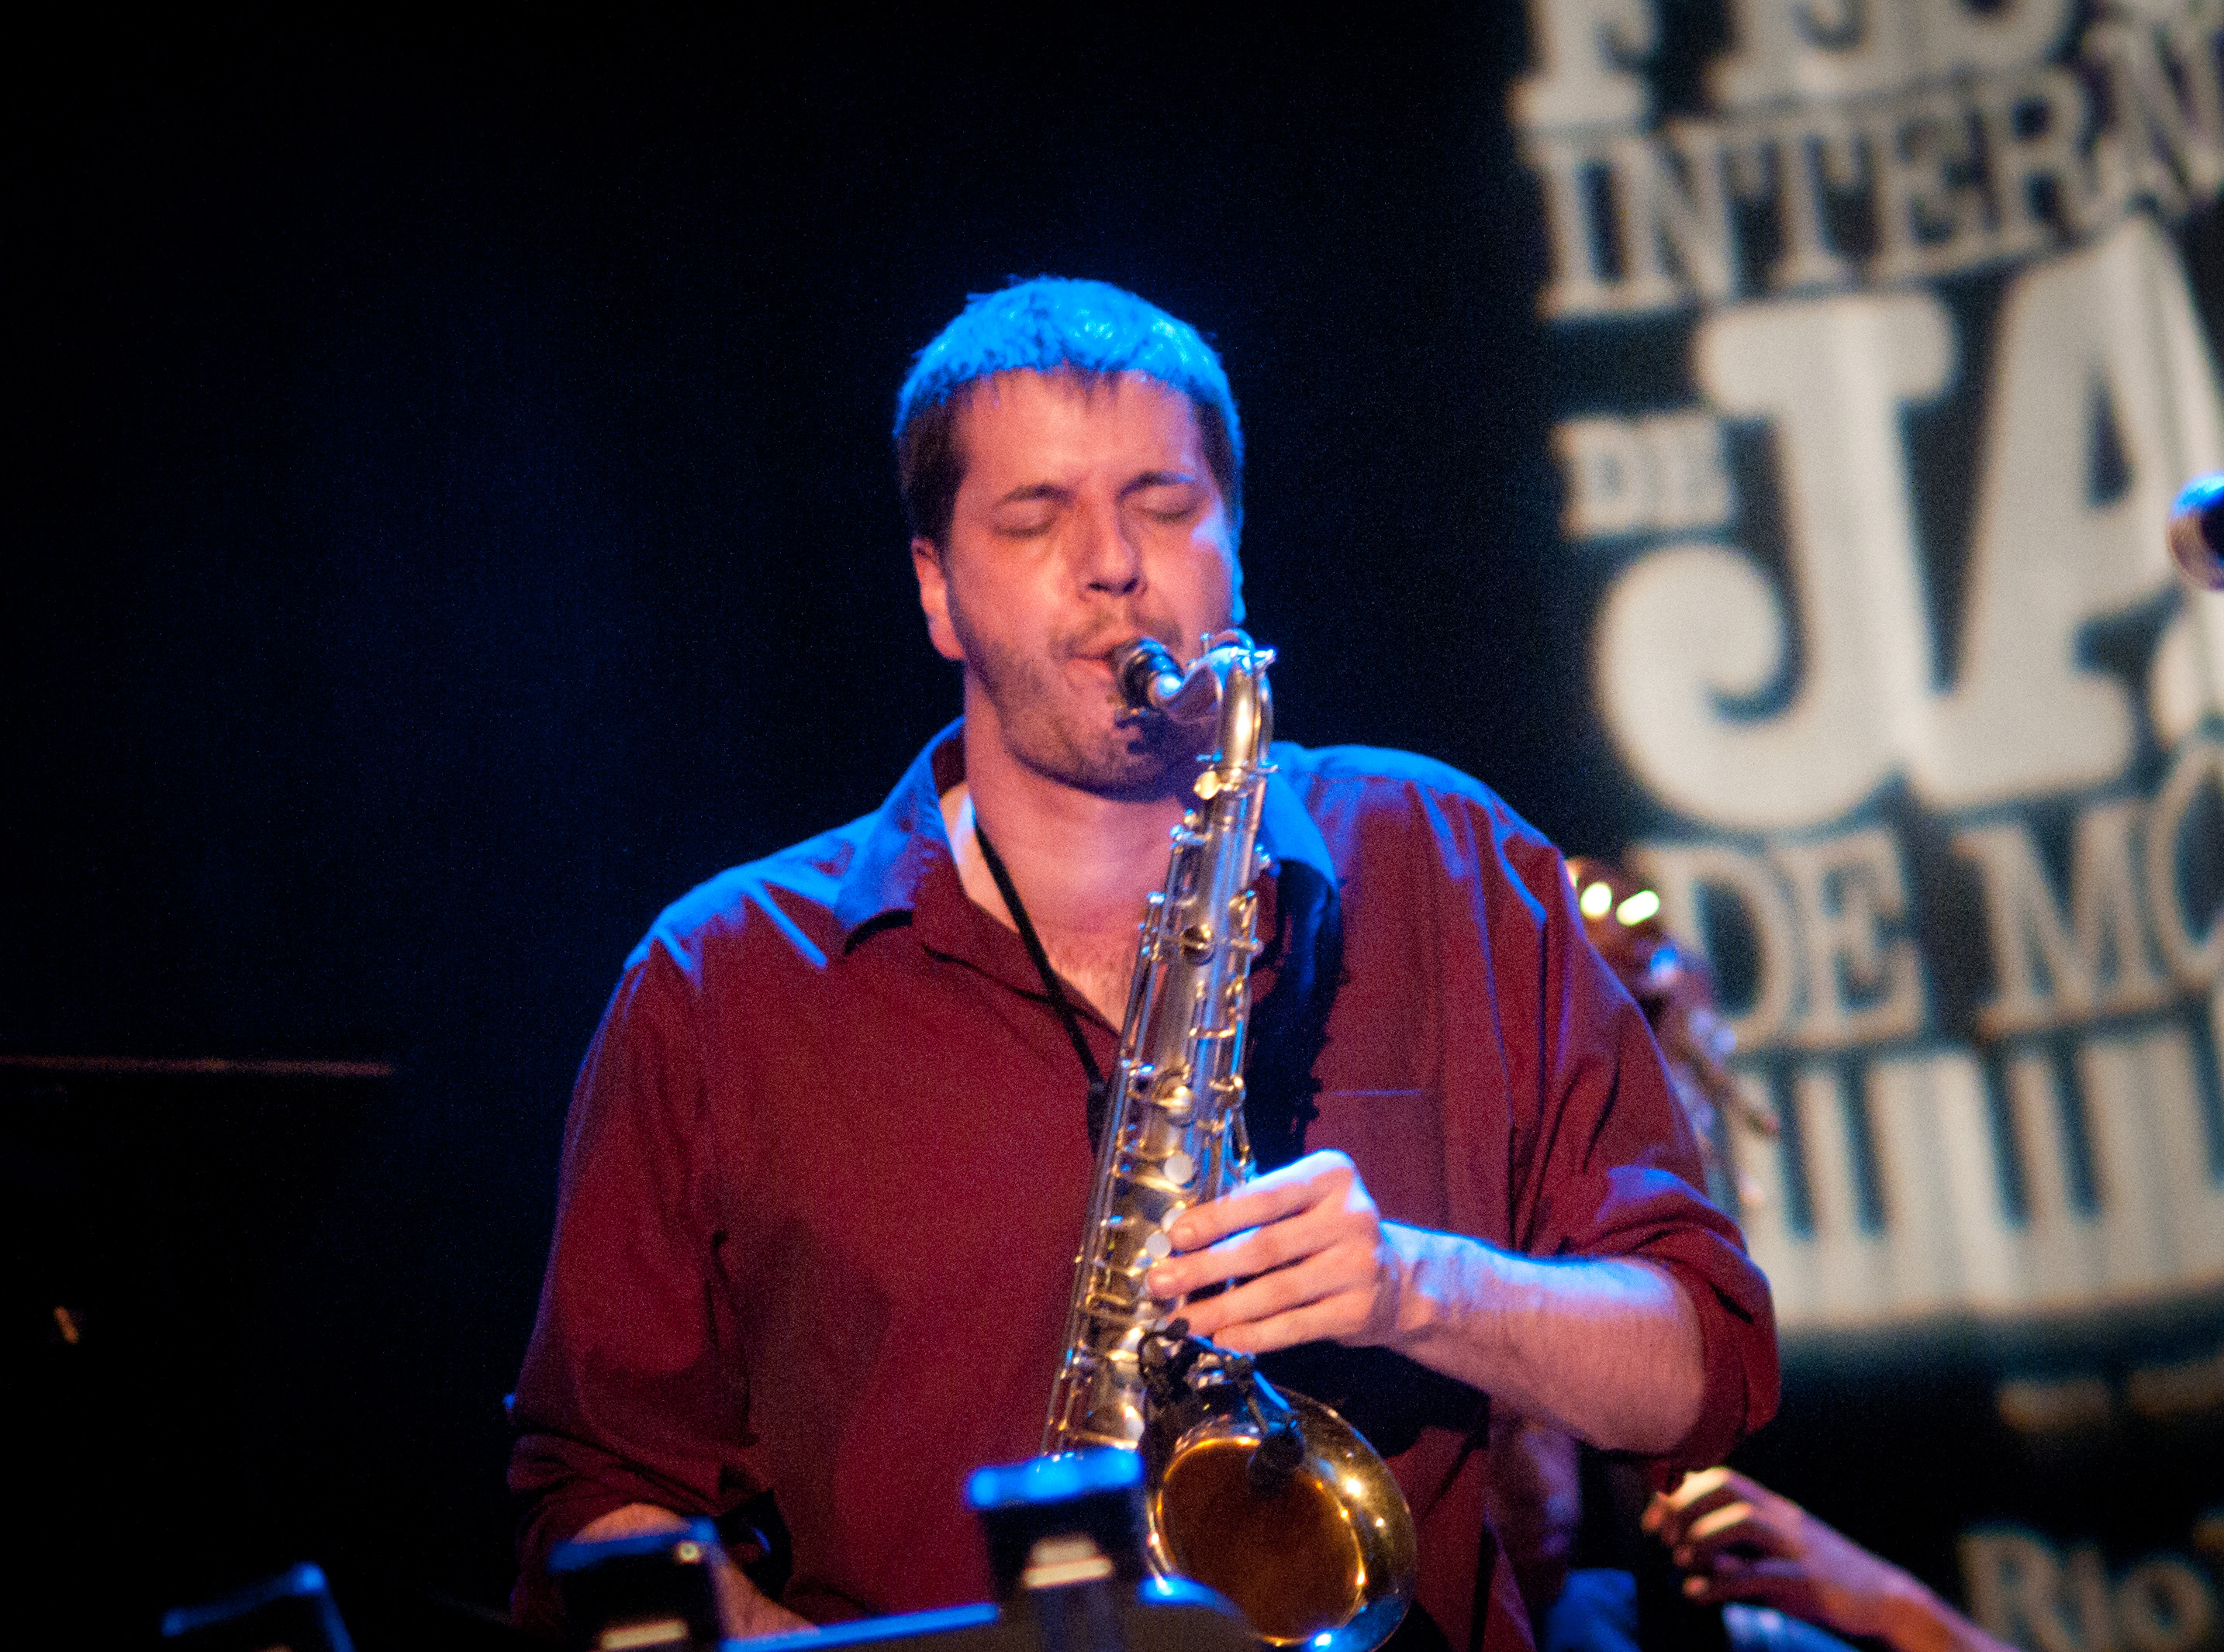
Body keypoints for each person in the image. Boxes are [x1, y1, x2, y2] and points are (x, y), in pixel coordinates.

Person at [506, 278, 1780, 1652]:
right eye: (1035, 517)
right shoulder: (723, 983)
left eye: (1164, 507)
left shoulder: (1445, 861)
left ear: (1234, 544)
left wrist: (1421, 1285)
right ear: (936, 588)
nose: (1112, 565)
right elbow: (596, 1500)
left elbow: (1704, 1365)